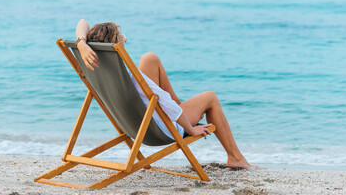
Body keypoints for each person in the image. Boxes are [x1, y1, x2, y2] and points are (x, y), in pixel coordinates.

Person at [75, 19, 256, 169]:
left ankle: (189, 108)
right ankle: (236, 158)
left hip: (133, 125)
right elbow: (166, 103)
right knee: (210, 97)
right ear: (117, 45)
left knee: (149, 58)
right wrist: (191, 129)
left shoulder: (94, 65)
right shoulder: (131, 77)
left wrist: (81, 43)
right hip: (160, 129)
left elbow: (82, 22)